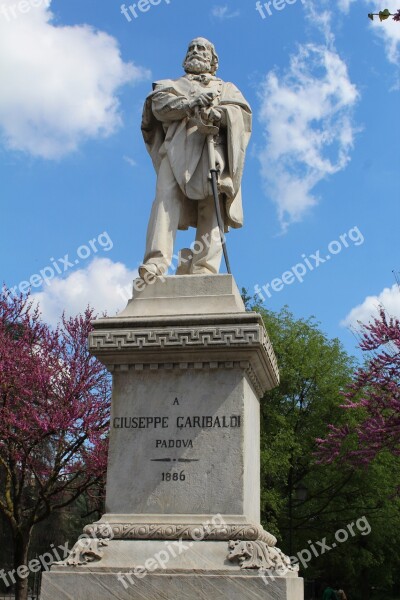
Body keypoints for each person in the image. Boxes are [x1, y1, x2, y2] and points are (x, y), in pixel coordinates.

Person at [139, 37, 252, 279]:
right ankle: (155, 263)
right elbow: (159, 106)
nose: (196, 51)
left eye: (202, 48)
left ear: (213, 60)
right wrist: (190, 103)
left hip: (213, 147)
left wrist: (220, 114)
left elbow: (241, 116)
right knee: (165, 199)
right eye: (191, 48)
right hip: (176, 148)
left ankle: (204, 267)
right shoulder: (170, 85)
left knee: (212, 205)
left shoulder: (227, 89)